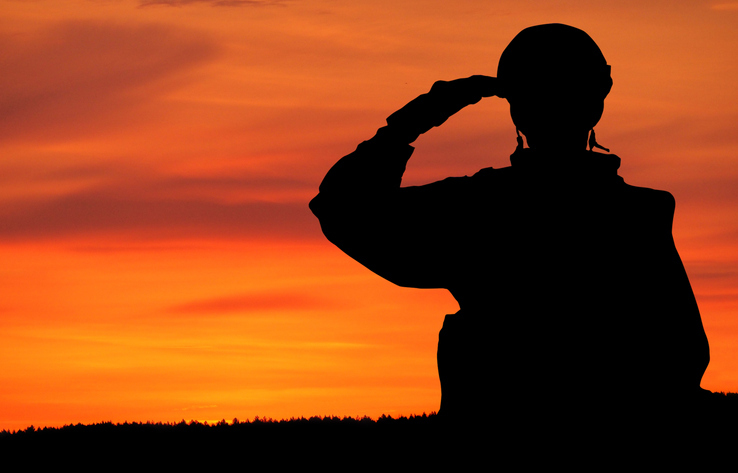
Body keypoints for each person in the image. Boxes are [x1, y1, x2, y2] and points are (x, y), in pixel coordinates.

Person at [309, 24, 709, 422]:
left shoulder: (476, 209)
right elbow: (685, 353)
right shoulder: (640, 214)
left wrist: (406, 126)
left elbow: (343, 208)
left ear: (516, 107)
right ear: (599, 96)